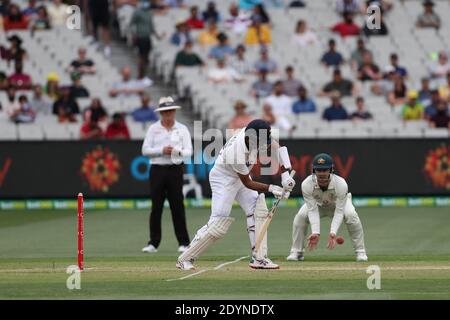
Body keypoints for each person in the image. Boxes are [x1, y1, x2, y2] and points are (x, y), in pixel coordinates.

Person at [176, 119, 296, 270]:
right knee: (218, 224)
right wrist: (272, 188)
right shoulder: (236, 152)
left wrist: (285, 174)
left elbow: (277, 146)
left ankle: (259, 258)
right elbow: (248, 183)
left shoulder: (255, 132)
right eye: (261, 141)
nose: (264, 144)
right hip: (223, 179)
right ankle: (185, 259)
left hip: (240, 176)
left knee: (258, 210)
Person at [286, 153, 368, 262]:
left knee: (351, 215)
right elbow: (312, 210)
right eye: (319, 170)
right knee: (301, 216)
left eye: (325, 170)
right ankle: (297, 252)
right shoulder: (306, 184)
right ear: (314, 170)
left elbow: (339, 211)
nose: (322, 173)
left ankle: (360, 252)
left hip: (337, 205)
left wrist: (333, 232)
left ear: (331, 170)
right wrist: (316, 232)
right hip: (318, 205)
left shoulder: (341, 184)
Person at [141, 97, 192, 254]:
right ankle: (153, 243)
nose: (168, 114)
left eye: (170, 110)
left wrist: (175, 152)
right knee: (156, 206)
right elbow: (145, 150)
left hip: (175, 169)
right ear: (161, 113)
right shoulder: (153, 129)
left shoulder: (182, 129)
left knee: (177, 205)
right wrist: (161, 150)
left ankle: (184, 242)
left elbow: (189, 152)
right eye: (165, 111)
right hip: (157, 169)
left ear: (174, 111)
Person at [129, 3, 163, 78]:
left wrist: (157, 36)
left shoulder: (149, 14)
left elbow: (151, 27)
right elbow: (132, 24)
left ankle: (143, 74)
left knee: (146, 57)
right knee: (142, 56)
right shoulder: (137, 12)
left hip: (147, 38)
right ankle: (140, 74)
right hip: (140, 37)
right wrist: (134, 34)